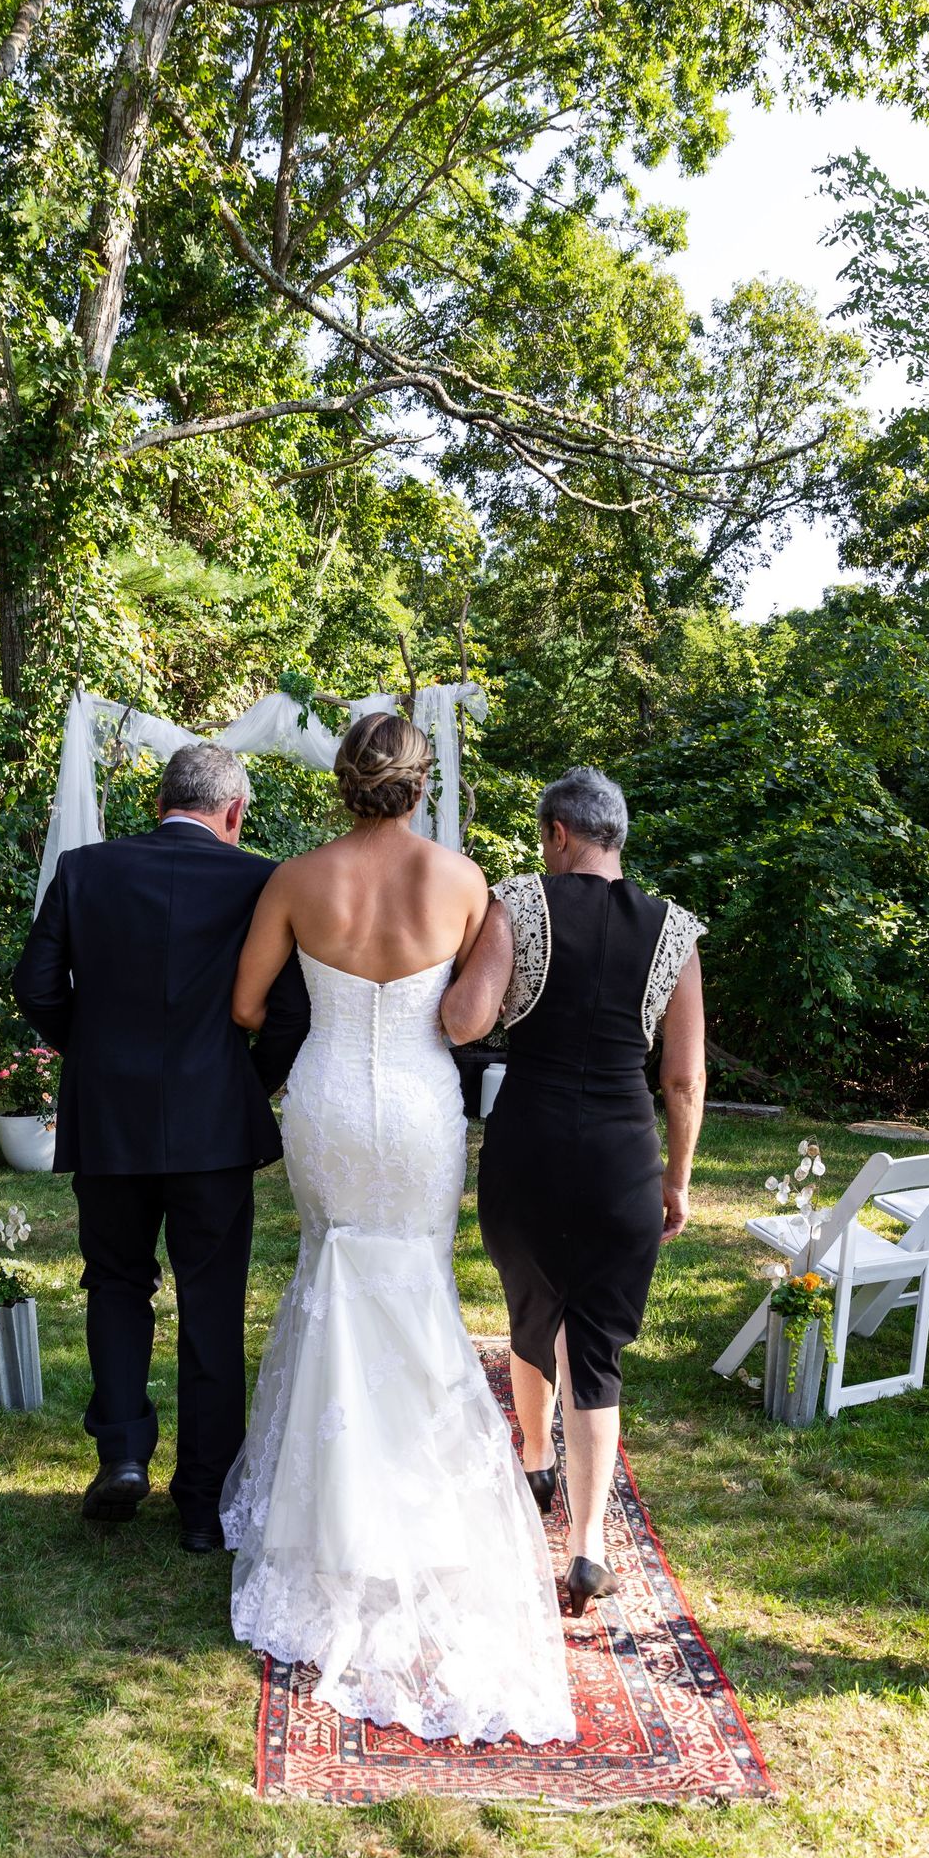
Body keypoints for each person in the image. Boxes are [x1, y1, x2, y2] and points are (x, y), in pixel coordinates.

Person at [221, 713, 575, 1748]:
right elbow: (483, 1013)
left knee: (332, 1276)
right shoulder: (466, 883)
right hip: (421, 1107)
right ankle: (420, 1505)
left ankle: (326, 1516)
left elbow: (248, 1007)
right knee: (414, 1286)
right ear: (421, 787)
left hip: (327, 1100)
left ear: (341, 784)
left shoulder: (294, 879)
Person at [13, 742, 309, 1551]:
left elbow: (35, 986)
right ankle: (203, 1504)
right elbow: (289, 1010)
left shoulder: (82, 870)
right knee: (211, 1304)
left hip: (109, 1120)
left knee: (115, 1281)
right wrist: (252, 1083)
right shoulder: (262, 880)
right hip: (215, 1123)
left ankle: (121, 1454)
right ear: (235, 812)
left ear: (159, 803)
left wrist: (97, 1055)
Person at [441, 766, 706, 1617]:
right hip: (623, 1154)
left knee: (531, 1310)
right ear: (616, 835)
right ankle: (588, 1548)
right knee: (596, 1349)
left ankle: (533, 1463)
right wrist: (677, 1180)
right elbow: (684, 1078)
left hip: (529, 1143)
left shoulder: (519, 902)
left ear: (558, 834)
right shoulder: (675, 933)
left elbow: (466, 1020)